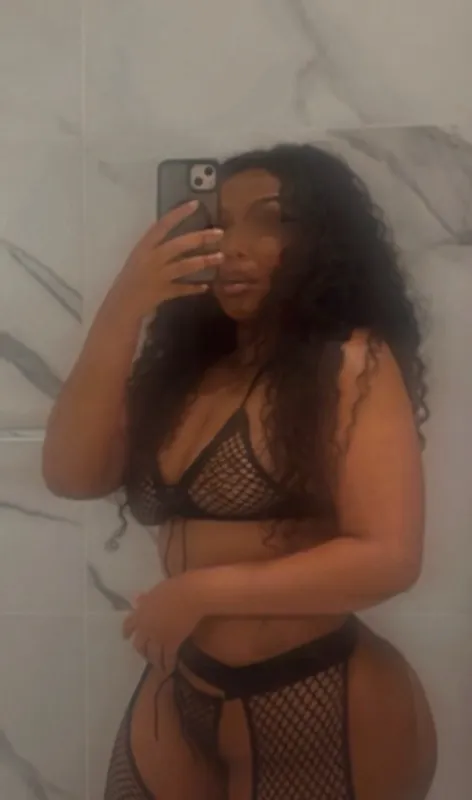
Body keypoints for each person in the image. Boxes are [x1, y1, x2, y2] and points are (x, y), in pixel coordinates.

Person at [43, 144, 437, 800]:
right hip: (179, 690)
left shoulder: (349, 362)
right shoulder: (188, 376)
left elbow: (389, 559)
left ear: (323, 240)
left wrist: (199, 593)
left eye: (271, 220)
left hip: (319, 693)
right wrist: (123, 307)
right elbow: (71, 475)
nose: (234, 247)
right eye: (219, 223)